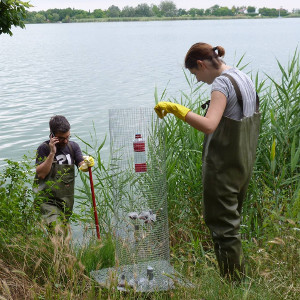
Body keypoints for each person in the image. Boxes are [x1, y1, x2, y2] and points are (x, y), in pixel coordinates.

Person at [154, 42, 260, 280]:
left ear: (201, 65)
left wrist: (177, 109)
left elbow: (210, 125)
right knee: (230, 223)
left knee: (224, 227)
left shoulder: (222, 84)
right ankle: (235, 278)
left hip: (223, 168)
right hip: (242, 165)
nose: (198, 80)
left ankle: (234, 284)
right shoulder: (242, 76)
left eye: (195, 74)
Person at [34, 115, 94, 228]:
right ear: (52, 135)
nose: (66, 141)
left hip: (66, 201)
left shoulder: (73, 147)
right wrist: (52, 153)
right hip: (47, 200)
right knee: (57, 228)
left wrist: (87, 163)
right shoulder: (44, 149)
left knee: (61, 232)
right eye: (61, 138)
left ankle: (53, 246)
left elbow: (81, 165)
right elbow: (41, 174)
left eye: (68, 137)